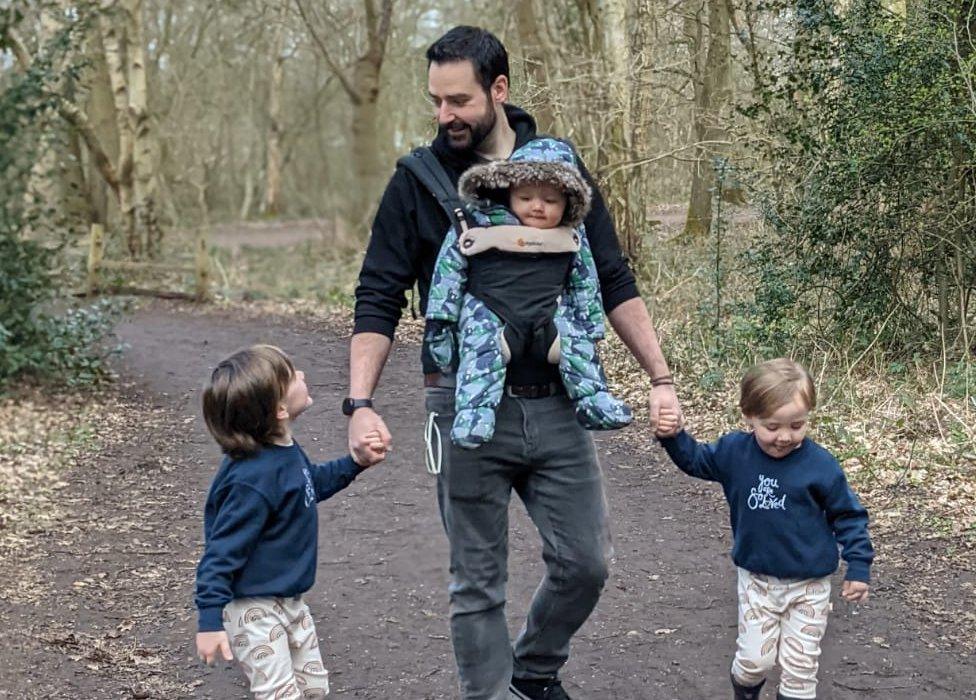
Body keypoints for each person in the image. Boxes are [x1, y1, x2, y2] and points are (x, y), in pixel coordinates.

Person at [348, 25, 681, 700]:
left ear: (499, 90)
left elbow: (611, 277)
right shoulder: (415, 183)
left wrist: (660, 378)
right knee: (476, 580)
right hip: (462, 402)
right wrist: (359, 403)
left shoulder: (559, 171)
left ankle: (533, 669)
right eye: (436, 101)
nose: (445, 116)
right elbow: (377, 296)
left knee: (586, 563)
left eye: (459, 100)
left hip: (557, 400)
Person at [655, 358, 874, 700]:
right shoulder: (733, 453)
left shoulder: (820, 466)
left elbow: (848, 515)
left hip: (809, 586)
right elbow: (695, 460)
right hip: (757, 582)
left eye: (797, 425)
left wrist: (858, 565)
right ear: (749, 416)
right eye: (772, 427)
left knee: (800, 671)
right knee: (753, 662)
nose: (785, 437)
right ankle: (745, 691)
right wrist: (673, 437)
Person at [194, 344, 384, 699]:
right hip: (254, 610)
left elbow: (310, 483)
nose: (301, 375)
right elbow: (219, 555)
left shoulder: (281, 451)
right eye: (291, 375)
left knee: (313, 689)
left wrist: (356, 463)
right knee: (279, 694)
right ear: (280, 409)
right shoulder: (250, 481)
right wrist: (209, 620)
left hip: (291, 602)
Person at [425, 136, 632, 448]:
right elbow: (448, 272)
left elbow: (585, 281)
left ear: (568, 202)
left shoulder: (573, 236)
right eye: (526, 197)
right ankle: (473, 415)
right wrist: (440, 322)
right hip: (491, 310)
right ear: (508, 193)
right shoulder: (477, 224)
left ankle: (593, 400)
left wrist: (591, 328)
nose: (537, 206)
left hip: (549, 313)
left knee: (576, 344)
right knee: (480, 348)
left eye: (550, 201)